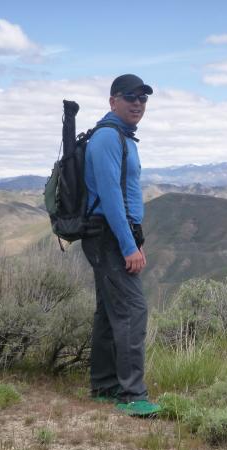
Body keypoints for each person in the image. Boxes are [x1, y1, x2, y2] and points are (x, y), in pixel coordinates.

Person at [81, 74, 160, 417]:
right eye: (130, 97)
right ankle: (132, 395)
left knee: (109, 311)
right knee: (132, 310)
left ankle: (104, 385)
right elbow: (112, 198)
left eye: (143, 98)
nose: (138, 103)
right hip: (109, 236)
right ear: (113, 101)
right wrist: (129, 246)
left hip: (110, 235)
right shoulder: (108, 139)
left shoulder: (120, 137)